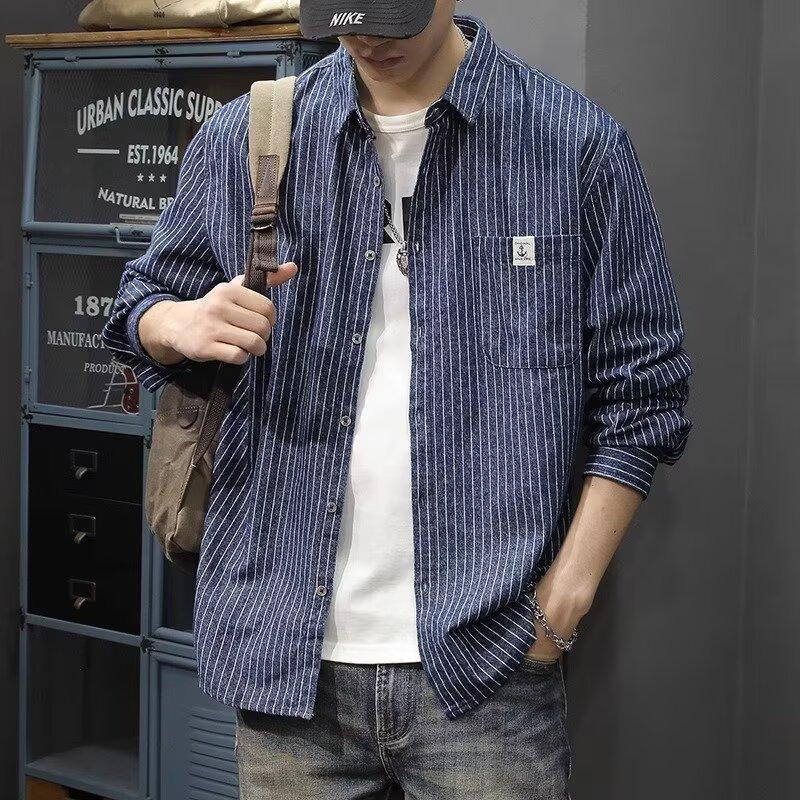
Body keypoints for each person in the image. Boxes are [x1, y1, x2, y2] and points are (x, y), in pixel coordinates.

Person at [101, 1, 693, 797]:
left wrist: (565, 600)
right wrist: (177, 322)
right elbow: (137, 306)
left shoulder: (571, 144)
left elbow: (644, 392)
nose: (370, 38)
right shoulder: (249, 138)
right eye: (347, 16)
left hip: (487, 668)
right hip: (286, 666)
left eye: (392, 13)